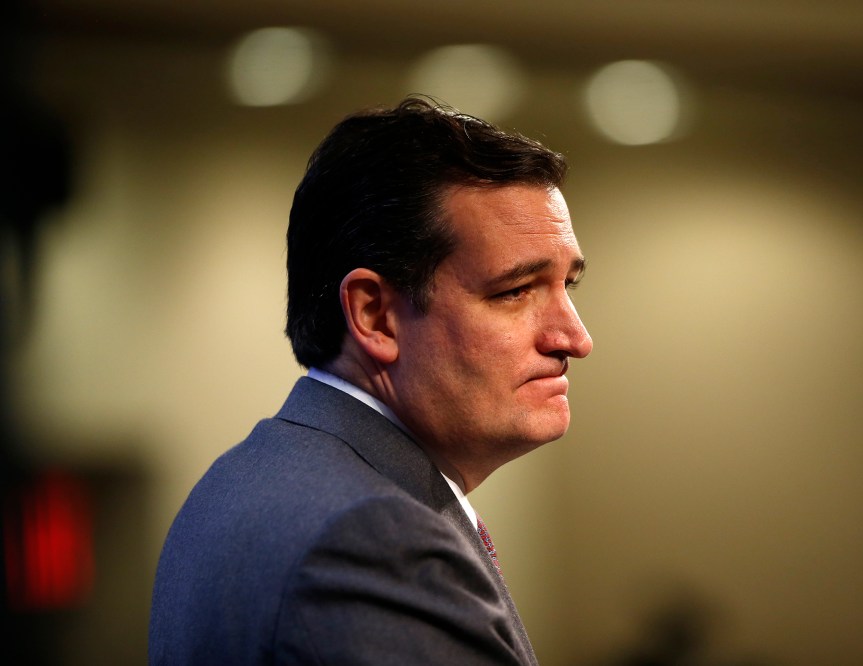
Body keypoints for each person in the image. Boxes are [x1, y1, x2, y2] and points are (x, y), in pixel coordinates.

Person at [149, 97, 593, 665]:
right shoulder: (374, 538)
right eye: (514, 291)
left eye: (567, 286)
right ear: (375, 315)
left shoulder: (243, 479)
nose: (574, 338)